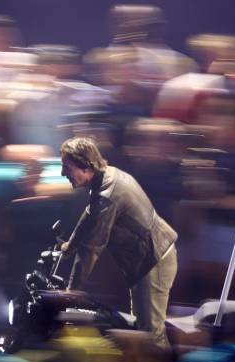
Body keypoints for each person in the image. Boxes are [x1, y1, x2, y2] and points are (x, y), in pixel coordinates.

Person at [59, 136, 177, 348]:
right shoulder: (106, 177)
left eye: (67, 167)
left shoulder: (108, 194)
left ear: (86, 165)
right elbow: (90, 214)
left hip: (154, 260)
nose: (62, 173)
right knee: (139, 331)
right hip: (147, 261)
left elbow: (91, 250)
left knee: (151, 336)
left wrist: (71, 292)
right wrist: (70, 245)